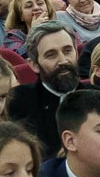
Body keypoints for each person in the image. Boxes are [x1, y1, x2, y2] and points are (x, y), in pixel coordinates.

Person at [7, 22, 82, 156]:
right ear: (34, 65)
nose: (63, 60)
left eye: (67, 51)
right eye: (51, 55)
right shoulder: (17, 102)